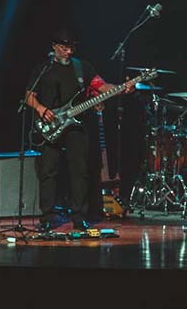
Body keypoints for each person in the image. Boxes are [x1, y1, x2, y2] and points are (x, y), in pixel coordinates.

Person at [25, 28, 134, 231]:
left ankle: (79, 216)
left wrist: (122, 88)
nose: (69, 52)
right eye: (64, 48)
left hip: (77, 125)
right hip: (51, 125)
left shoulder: (82, 67)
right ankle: (47, 217)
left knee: (80, 171)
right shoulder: (43, 69)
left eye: (71, 48)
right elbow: (29, 96)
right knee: (48, 171)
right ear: (54, 47)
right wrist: (41, 109)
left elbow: (101, 87)